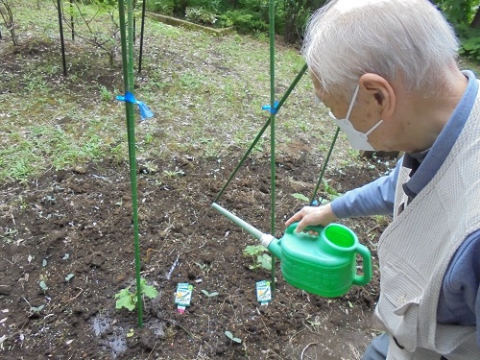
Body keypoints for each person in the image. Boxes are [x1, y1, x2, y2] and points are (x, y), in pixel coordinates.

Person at [285, 0, 480, 359]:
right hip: (406, 336)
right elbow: (398, 184)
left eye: (334, 106)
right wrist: (330, 210)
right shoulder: (440, 132)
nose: (337, 119)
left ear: (378, 95)